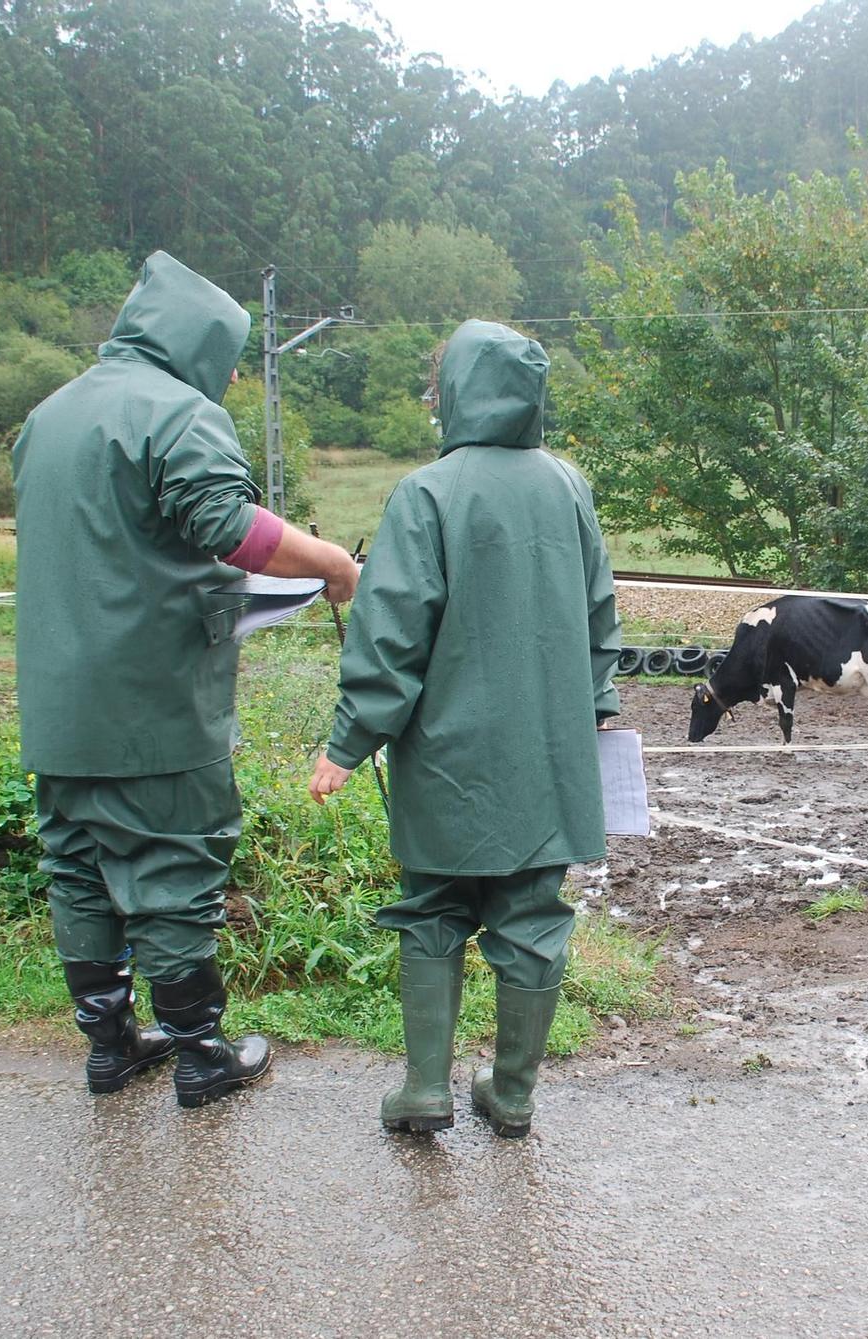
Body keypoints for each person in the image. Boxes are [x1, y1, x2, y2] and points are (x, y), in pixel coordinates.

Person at [14, 251, 360, 1109]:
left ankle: (110, 1046)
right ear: (194, 343)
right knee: (174, 868)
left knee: (80, 869)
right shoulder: (179, 413)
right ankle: (202, 1053)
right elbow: (229, 527)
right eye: (230, 353)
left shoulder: (48, 416)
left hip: (58, 707)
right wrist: (328, 564)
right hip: (154, 704)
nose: (237, 373)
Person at [310, 318, 621, 1138]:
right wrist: (590, 710)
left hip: (445, 753)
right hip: (547, 754)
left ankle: (424, 1088)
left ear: (454, 393)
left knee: (433, 905)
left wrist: (349, 742)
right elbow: (600, 618)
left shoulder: (427, 492)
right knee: (532, 914)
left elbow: (391, 632)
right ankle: (511, 1093)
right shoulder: (569, 486)